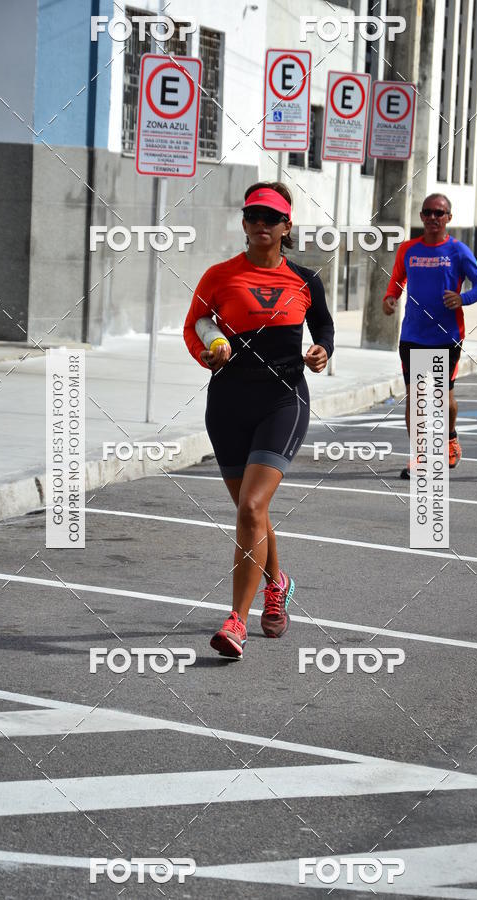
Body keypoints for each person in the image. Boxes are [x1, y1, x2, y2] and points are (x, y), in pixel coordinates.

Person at [183, 182, 334, 658]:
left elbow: (324, 325)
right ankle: (279, 583)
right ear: (244, 223)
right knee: (253, 512)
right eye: (253, 216)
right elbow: (195, 325)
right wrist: (207, 351)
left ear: (287, 227)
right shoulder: (218, 276)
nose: (261, 224)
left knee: (251, 508)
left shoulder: (306, 280)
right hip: (227, 404)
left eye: (271, 218)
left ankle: (235, 622)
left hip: (282, 401)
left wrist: (321, 351)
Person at [382, 193, 477, 479]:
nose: (432, 217)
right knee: (416, 397)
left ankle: (450, 437)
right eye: (427, 212)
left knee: (443, 398)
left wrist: (462, 298)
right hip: (413, 334)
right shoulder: (408, 249)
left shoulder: (458, 250)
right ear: (421, 216)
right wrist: (390, 299)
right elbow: (396, 282)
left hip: (447, 334)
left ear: (448, 218)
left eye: (439, 213)